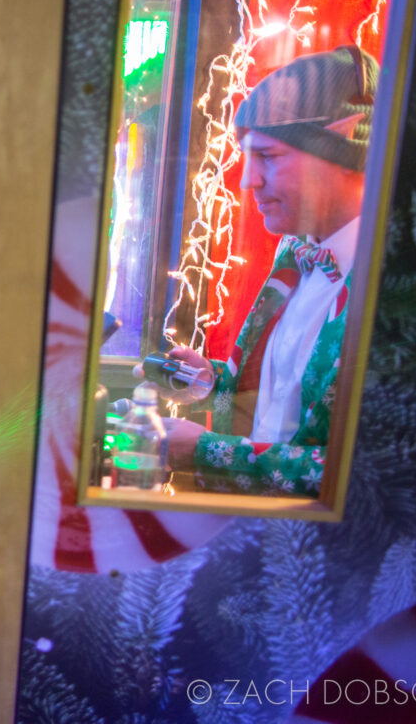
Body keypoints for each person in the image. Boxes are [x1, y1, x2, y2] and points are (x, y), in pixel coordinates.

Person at [152, 46, 377, 497]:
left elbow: (365, 475)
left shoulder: (400, 287)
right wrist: (208, 382)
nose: (246, 180)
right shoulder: (293, 252)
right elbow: (279, 401)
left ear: (345, 144)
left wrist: (205, 452)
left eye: (268, 156)